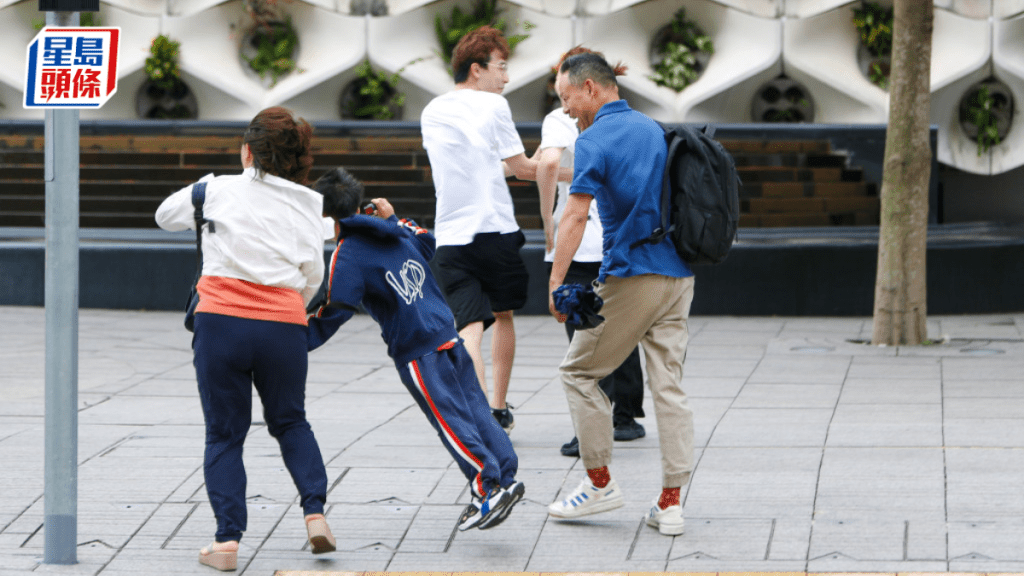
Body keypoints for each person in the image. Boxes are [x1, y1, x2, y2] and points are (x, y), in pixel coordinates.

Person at [155, 106, 336, 571]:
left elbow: (163, 216)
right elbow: (313, 275)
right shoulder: (308, 203)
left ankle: (226, 543)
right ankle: (315, 514)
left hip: (221, 324)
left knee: (224, 434)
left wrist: (207, 187)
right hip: (283, 326)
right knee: (291, 422)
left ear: (248, 151)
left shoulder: (214, 190)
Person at [306, 167, 525, 531]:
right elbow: (428, 243)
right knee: (473, 409)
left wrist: (298, 339)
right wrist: (396, 218)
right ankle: (504, 475)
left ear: (327, 217)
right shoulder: (395, 231)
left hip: (418, 349)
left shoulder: (346, 253)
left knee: (449, 420)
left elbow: (337, 307)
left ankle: (486, 489)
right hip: (447, 333)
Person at [545, 53, 696, 537]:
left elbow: (574, 216)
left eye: (567, 98)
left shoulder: (592, 140)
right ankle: (670, 504)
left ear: (590, 88)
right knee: (668, 386)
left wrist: (555, 282)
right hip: (679, 276)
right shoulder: (652, 128)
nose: (567, 110)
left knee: (578, 372)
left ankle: (599, 483)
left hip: (633, 274)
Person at [420, 25, 569, 433]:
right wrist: (572, 168)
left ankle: (479, 410)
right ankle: (497, 406)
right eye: (500, 68)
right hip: (494, 230)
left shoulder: (431, 110)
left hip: (450, 236)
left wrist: (530, 159)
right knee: (502, 315)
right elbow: (523, 170)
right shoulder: (493, 107)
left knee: (468, 324)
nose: (505, 77)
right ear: (476, 70)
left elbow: (486, 166)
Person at [536, 47, 646, 458]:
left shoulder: (563, 117)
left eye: (565, 93)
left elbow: (548, 165)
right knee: (622, 328)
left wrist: (548, 217)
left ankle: (589, 425)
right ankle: (626, 416)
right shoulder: (631, 123)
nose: (564, 104)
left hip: (579, 241)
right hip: (620, 240)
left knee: (582, 334)